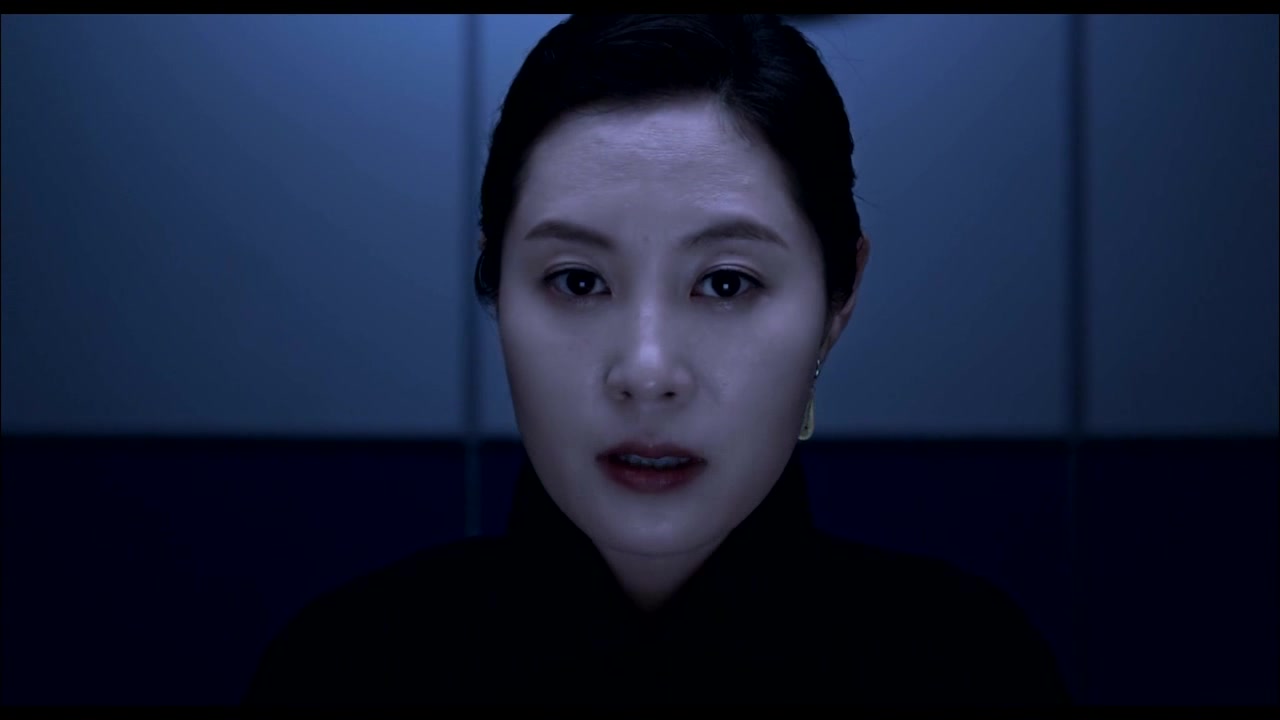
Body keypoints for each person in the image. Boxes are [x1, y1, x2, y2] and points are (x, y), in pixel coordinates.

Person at [242, 14, 1070, 706]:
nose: (646, 371)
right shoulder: (344, 674)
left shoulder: (969, 674)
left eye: (725, 283)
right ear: (495, 283)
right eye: (578, 280)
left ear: (838, 299)